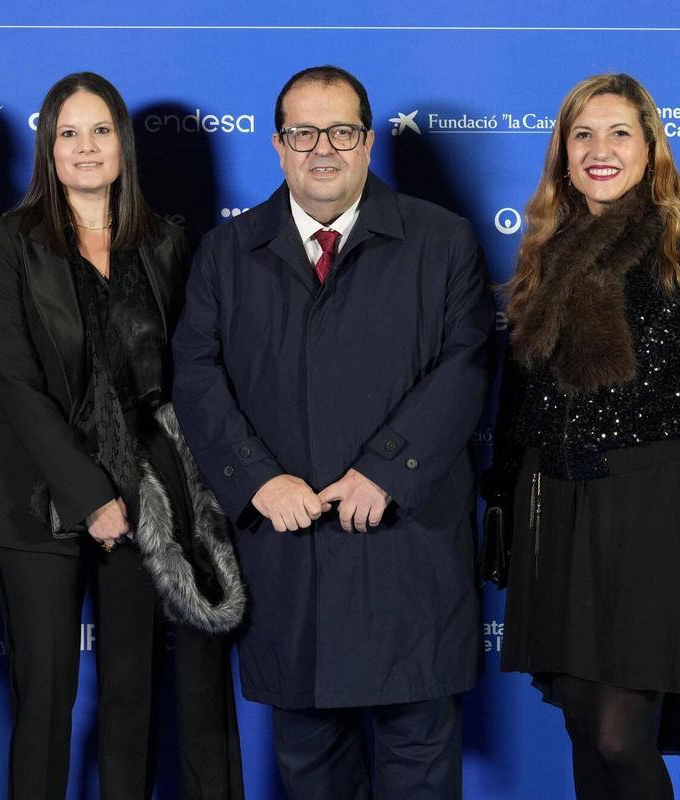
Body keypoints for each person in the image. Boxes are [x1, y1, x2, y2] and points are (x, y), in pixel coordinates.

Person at [172, 65, 494, 799]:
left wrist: (388, 470)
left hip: (407, 553)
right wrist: (257, 479)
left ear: (369, 141)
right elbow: (195, 374)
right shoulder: (227, 253)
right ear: (279, 145)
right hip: (293, 554)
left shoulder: (441, 241)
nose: (324, 149)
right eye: (304, 132)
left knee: (419, 763)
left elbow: (467, 364)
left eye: (342, 131)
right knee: (310, 769)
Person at [0, 71, 245, 800]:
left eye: (101, 131)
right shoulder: (7, 244)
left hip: (142, 494)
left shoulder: (168, 242)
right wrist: (90, 494)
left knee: (130, 692)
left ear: (123, 146)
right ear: (48, 149)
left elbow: (181, 379)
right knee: (46, 702)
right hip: (34, 494)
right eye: (68, 133)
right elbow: (15, 386)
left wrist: (143, 493)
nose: (85, 148)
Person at [485, 73, 680, 799]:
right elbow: (523, 397)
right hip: (556, 503)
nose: (599, 150)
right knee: (580, 718)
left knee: (617, 730)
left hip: (652, 508)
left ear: (650, 148)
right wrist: (505, 510)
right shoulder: (545, 254)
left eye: (618, 134)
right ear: (563, 154)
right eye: (582, 135)